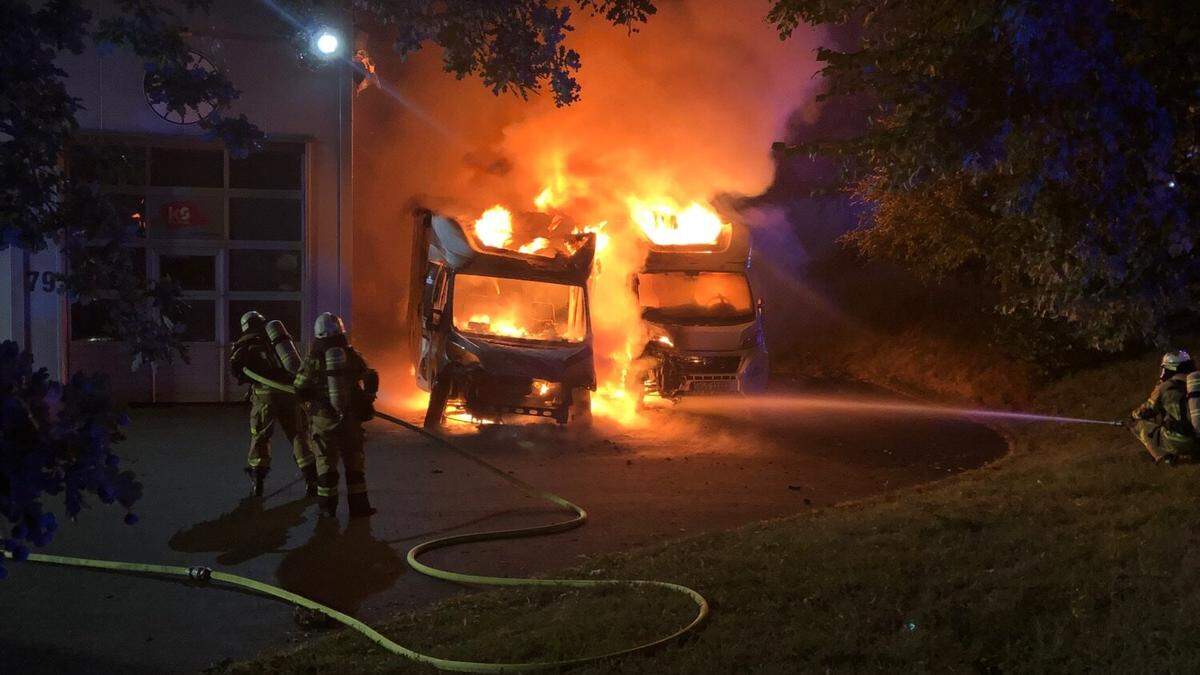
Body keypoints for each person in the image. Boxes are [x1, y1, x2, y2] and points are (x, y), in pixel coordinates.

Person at [294, 312, 379, 518]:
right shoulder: (350, 354)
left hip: (323, 420)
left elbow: (299, 387)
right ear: (341, 331)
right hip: (350, 418)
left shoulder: (314, 359)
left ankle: (327, 509)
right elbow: (370, 375)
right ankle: (359, 508)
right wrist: (368, 398)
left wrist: (313, 396)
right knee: (354, 462)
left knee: (325, 463)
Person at [230, 310, 317, 497]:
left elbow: (237, 369)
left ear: (245, 325)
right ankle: (312, 481)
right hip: (289, 395)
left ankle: (258, 482)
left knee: (260, 436)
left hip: (265, 398)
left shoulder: (246, 343)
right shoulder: (275, 340)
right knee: (298, 435)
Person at [1130, 350, 1199, 465]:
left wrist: (1133, 415)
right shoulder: (1196, 383)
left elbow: (1147, 410)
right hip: (1198, 438)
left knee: (1141, 426)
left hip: (1182, 440)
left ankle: (1164, 458)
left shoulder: (1165, 386)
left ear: (1169, 368)